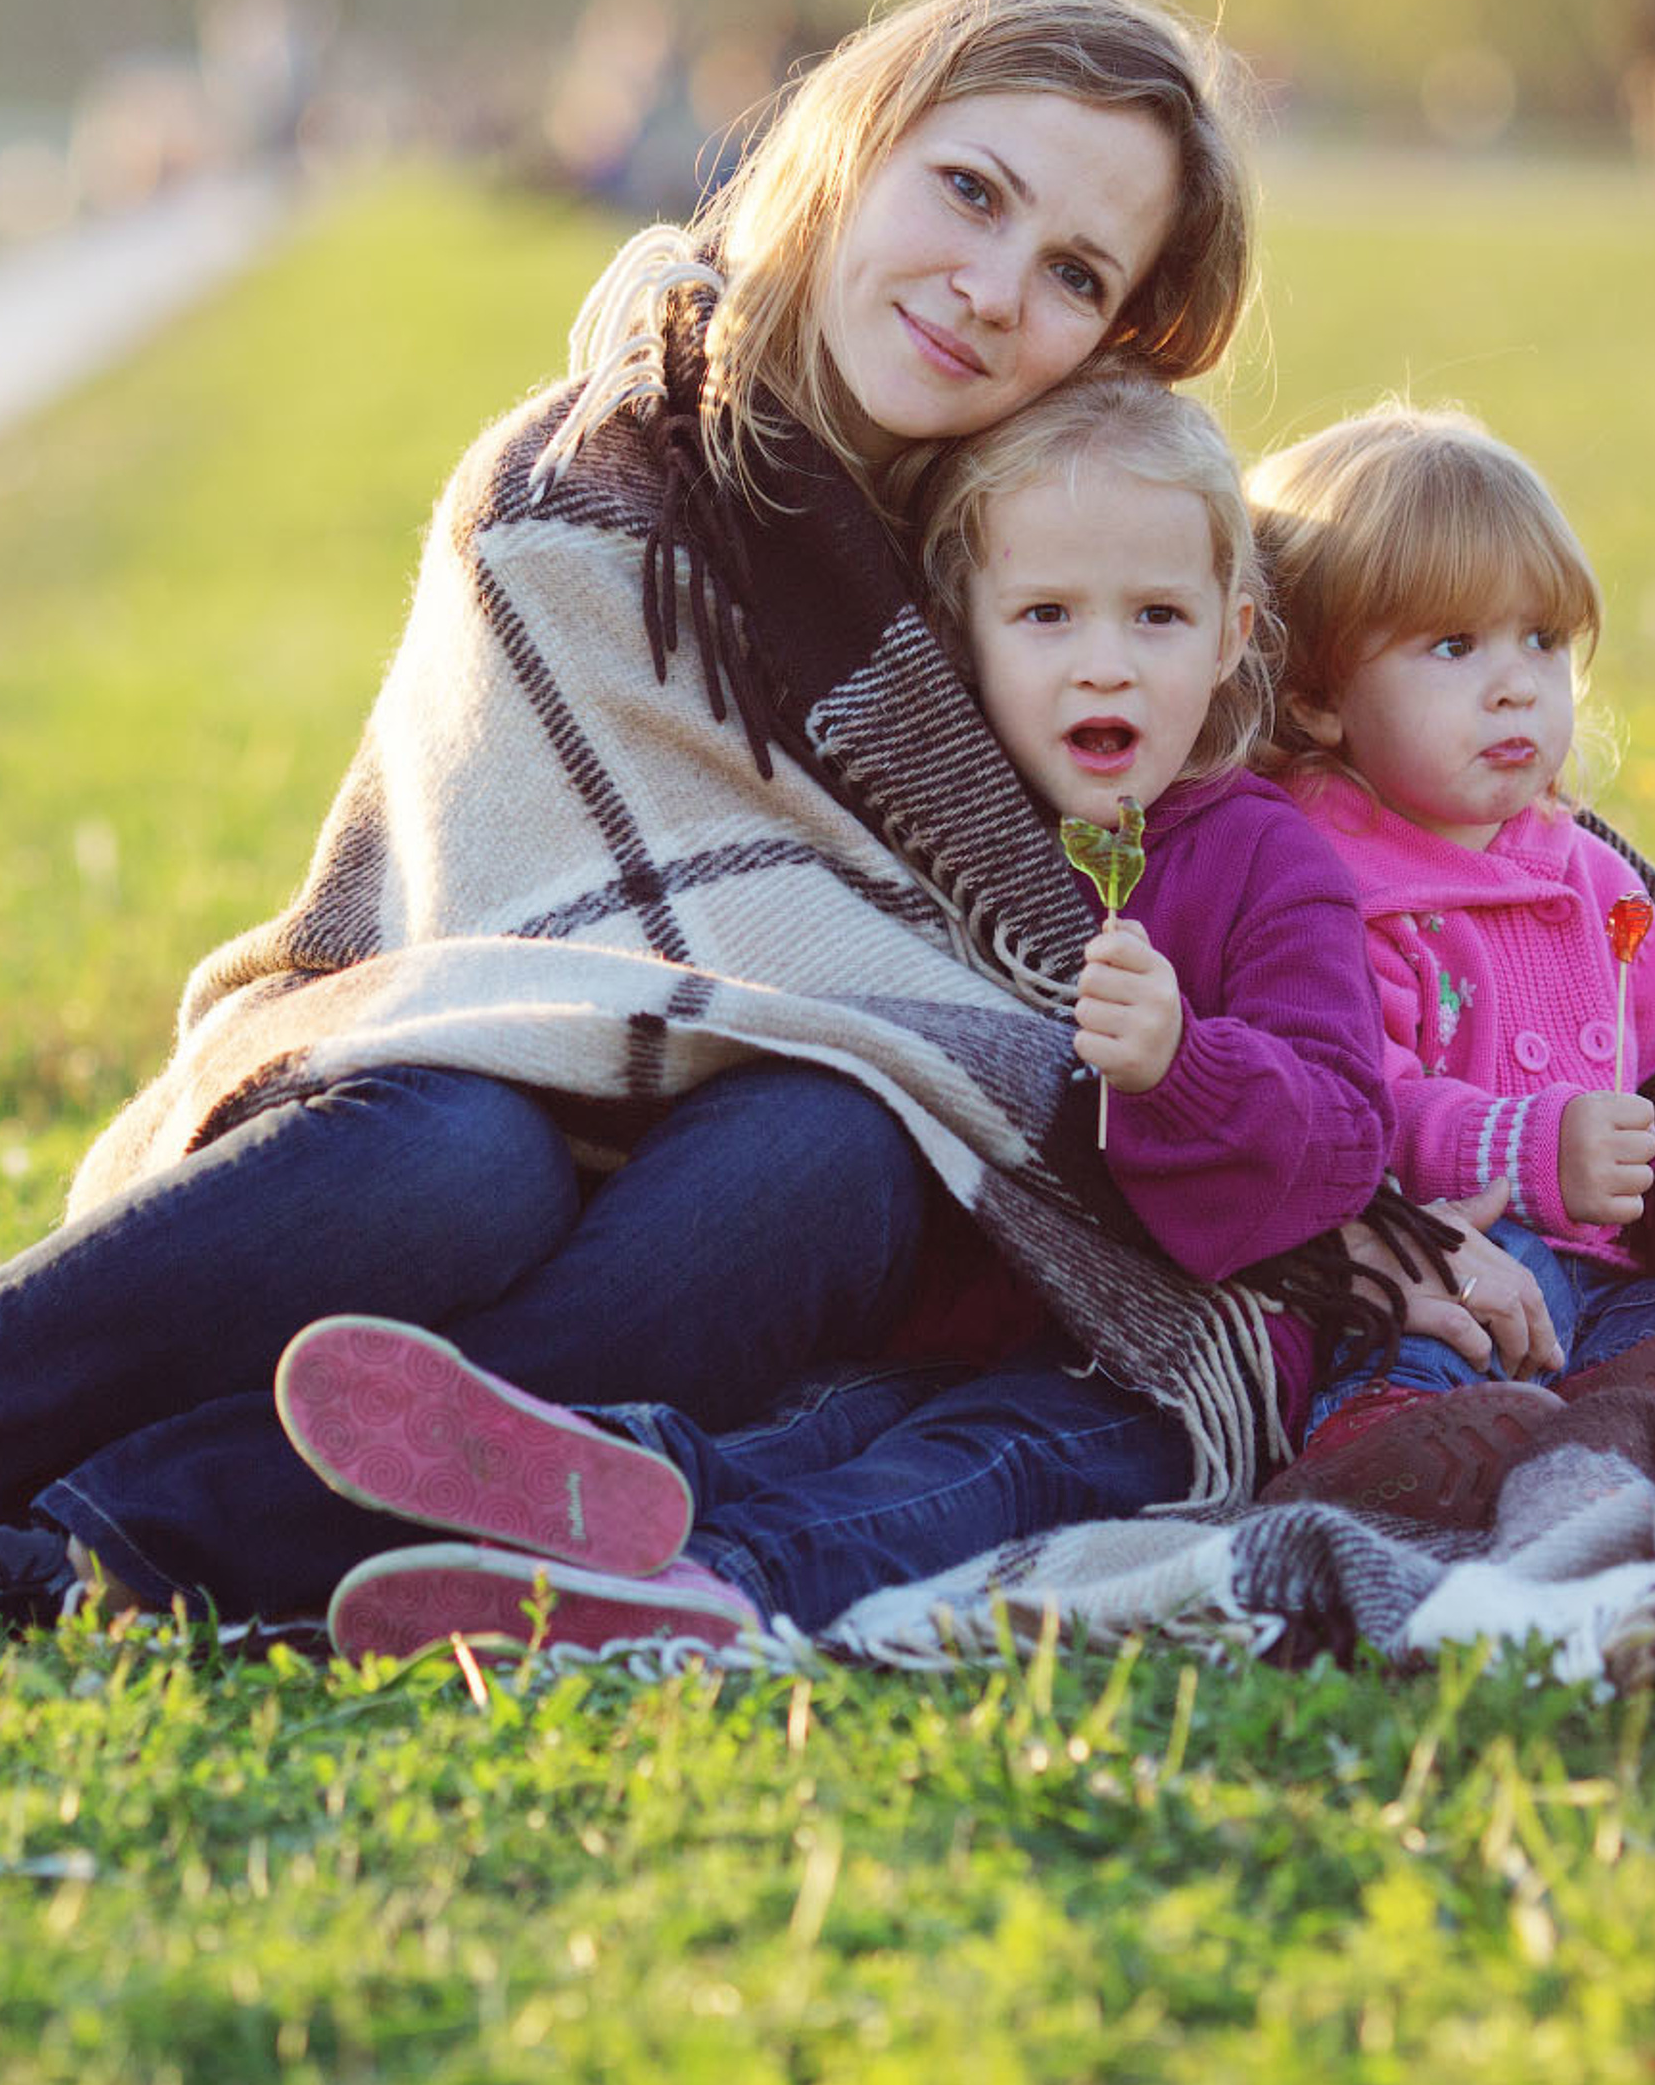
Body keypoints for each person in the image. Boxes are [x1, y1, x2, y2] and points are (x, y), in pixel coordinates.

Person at [0, 0, 1267, 1654]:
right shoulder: (581, 483)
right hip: (444, 1100)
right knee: (464, 1157)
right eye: (970, 193)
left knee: (839, 1137)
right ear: (853, 151)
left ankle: (60, 1555)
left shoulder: (1063, 569)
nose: (994, 287)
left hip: (757, 1209)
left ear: (1119, 340)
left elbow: (1095, 913)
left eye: (1074, 275)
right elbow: (477, 941)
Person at [263, 370, 1406, 1655]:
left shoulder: (1264, 860)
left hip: (1155, 1359)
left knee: (961, 1473)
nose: (1105, 664)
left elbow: (1344, 1130)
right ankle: (565, 1488)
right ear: (962, 634)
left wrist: (1181, 1064)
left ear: (1232, 631)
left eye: (1157, 616)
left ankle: (710, 1587)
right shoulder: (937, 831)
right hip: (937, 1325)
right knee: (813, 1428)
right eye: (1045, 615)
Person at [1245, 402, 1655, 1507]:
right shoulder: (1324, 882)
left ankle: (1637, 1411)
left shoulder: (1597, 881)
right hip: (1464, 1270)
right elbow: (1351, 1113)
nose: (1516, 684)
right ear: (1316, 696)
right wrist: (1534, 1150)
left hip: (1612, 1296)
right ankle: (1386, 1430)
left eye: (1541, 639)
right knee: (1476, 1278)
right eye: (1453, 646)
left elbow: (1653, 1095)